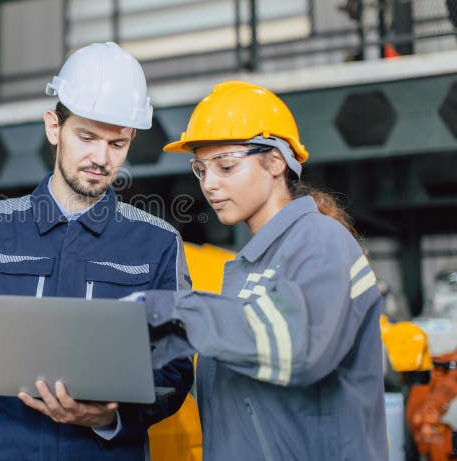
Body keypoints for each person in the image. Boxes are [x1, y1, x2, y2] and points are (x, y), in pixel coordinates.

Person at [0, 42, 194, 461]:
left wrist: (106, 417)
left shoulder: (158, 243)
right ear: (53, 128)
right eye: (87, 137)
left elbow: (174, 371)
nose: (101, 158)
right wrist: (5, 327)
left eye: (117, 144)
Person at [139, 80, 388, 461]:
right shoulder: (247, 269)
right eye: (200, 169)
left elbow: (299, 345)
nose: (209, 184)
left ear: (275, 161)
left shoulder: (320, 240)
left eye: (225, 166)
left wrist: (170, 310)